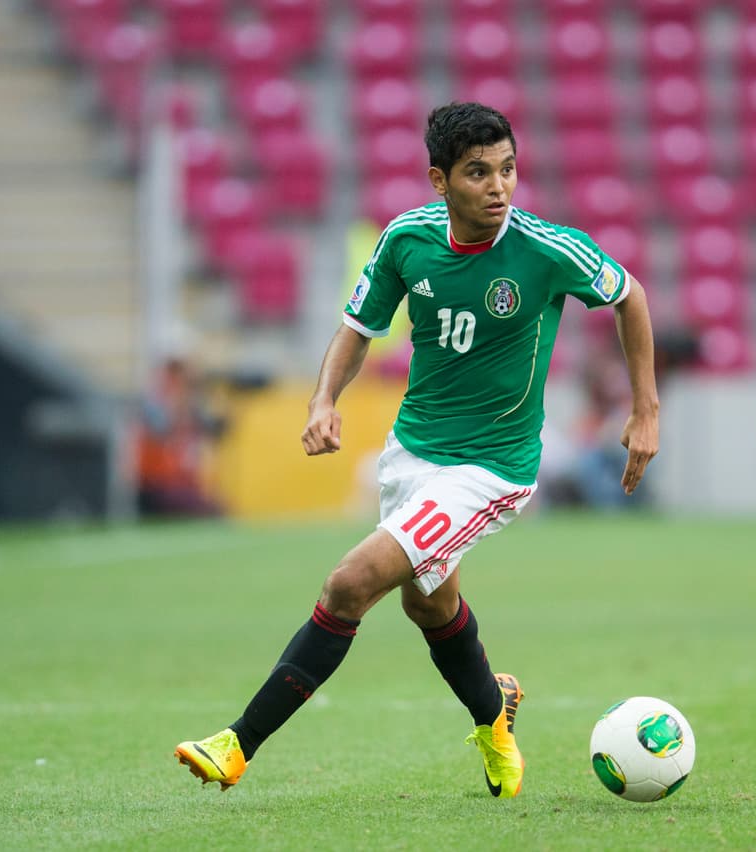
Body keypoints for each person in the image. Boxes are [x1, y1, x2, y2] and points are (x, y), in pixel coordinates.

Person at [174, 102, 659, 798]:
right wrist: (322, 400)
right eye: (478, 173)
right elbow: (357, 326)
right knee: (428, 607)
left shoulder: (548, 250)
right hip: (413, 454)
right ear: (440, 181)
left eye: (508, 170)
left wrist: (646, 409)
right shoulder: (407, 240)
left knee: (350, 584)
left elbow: (630, 295)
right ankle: (495, 716)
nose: (499, 188)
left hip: (489, 468)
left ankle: (237, 744)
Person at [134, 355, 224, 518]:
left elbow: (215, 430)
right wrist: (180, 404)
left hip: (183, 485)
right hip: (157, 485)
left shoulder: (191, 407)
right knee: (210, 514)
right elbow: (162, 430)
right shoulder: (155, 404)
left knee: (217, 508)